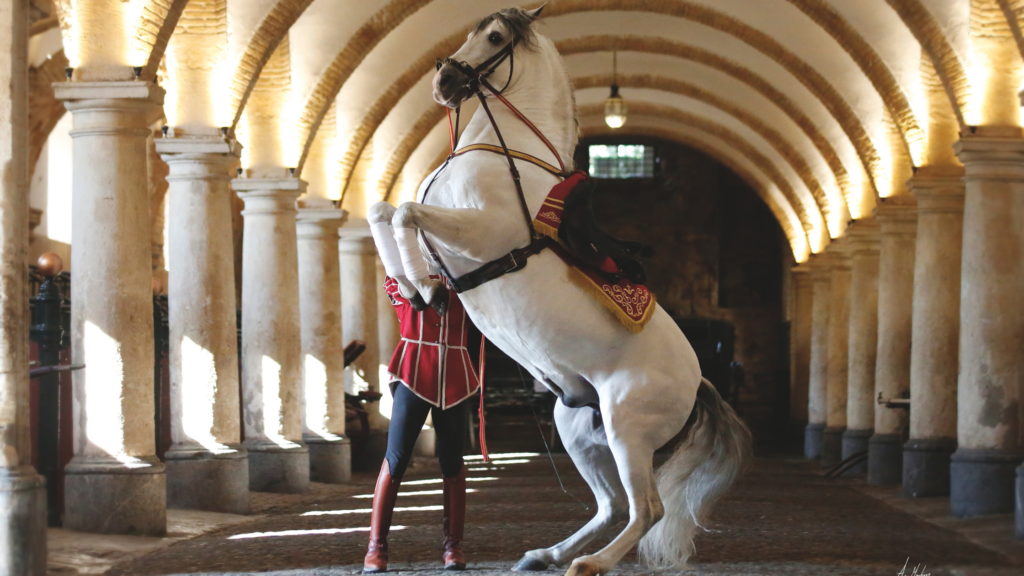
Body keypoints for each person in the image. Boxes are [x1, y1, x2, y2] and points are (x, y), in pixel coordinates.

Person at [364, 221, 481, 574]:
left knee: (453, 460)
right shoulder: (402, 279)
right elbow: (401, 285)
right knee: (397, 458)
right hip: (414, 371)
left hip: (456, 375)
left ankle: (453, 547)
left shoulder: (466, 281)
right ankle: (376, 548)